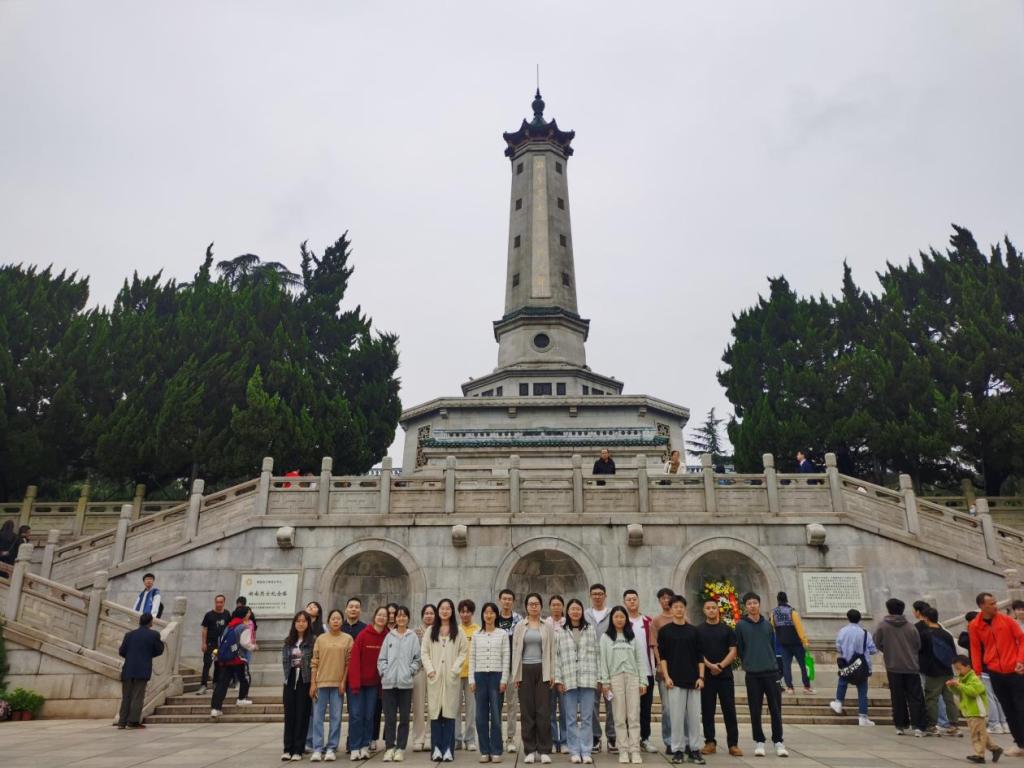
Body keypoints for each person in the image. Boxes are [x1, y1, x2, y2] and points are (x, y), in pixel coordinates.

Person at [734, 592, 788, 757]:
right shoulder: (740, 626)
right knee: (755, 709)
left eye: (755, 603)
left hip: (771, 672)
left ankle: (778, 741)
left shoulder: (767, 625)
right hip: (753, 674)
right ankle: (759, 741)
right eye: (749, 603)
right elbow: (740, 648)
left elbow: (773, 646)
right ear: (745, 606)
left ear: (759, 604)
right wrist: (748, 662)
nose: (752, 606)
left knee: (776, 709)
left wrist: (777, 668)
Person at [970, 592, 1024, 756]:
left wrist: (1020, 660)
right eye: (991, 604)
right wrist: (977, 672)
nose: (996, 606)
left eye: (995, 602)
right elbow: (975, 649)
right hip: (994, 672)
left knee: (1021, 707)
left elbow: (1022, 639)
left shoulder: (1007, 620)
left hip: (1015, 671)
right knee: (1008, 709)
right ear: (982, 606)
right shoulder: (975, 625)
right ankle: (1020, 744)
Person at [657, 596, 705, 765]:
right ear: (671, 609)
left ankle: (695, 749)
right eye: (675, 606)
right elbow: (663, 657)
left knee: (694, 718)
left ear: (685, 609)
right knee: (676, 718)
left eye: (681, 606)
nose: (678, 609)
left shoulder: (694, 631)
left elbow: (700, 656)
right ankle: (677, 750)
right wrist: (666, 677)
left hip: (693, 680)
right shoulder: (665, 631)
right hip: (674, 680)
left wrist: (701, 677)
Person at [511, 592, 557, 764]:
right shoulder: (520, 626)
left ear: (541, 606)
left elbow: (552, 650)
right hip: (525, 670)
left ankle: (544, 750)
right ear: (526, 607)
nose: (534, 606)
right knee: (527, 711)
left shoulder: (547, 626)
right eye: (531, 604)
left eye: (536, 604)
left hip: (543, 670)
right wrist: (516, 674)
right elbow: (516, 651)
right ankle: (530, 750)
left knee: (543, 711)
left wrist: (552, 673)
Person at [599, 605, 647, 765]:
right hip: (615, 679)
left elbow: (640, 659)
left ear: (626, 619)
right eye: (616, 617)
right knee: (619, 717)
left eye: (622, 617)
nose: (619, 619)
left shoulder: (632, 637)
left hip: (633, 678)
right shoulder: (606, 638)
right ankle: (623, 750)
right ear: (612, 619)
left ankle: (635, 750)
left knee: (633, 716)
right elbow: (603, 661)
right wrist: (605, 682)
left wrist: (642, 680)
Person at [423, 598, 469, 762]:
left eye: (448, 608)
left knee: (449, 713)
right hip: (435, 678)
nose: (444, 611)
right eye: (442, 608)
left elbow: (464, 652)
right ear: (438, 611)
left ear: (452, 611)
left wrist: (455, 669)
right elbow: (424, 652)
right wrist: (430, 670)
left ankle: (448, 749)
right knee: (435, 713)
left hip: (451, 679)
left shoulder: (458, 631)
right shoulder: (431, 631)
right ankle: (436, 748)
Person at [554, 598, 599, 765]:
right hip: (569, 679)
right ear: (567, 611)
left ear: (582, 611)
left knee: (587, 718)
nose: (575, 612)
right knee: (571, 718)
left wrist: (599, 677)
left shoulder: (590, 629)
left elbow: (597, 654)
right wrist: (558, 679)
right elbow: (557, 657)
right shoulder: (561, 631)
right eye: (572, 609)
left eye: (578, 609)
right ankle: (574, 750)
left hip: (588, 678)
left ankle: (586, 751)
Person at [874, 597, 927, 737]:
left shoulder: (882, 626)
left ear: (888, 609)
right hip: (911, 666)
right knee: (915, 697)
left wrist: (889, 651)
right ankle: (919, 726)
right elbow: (917, 645)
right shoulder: (910, 626)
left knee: (897, 697)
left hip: (893, 666)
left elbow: (877, 643)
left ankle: (900, 725)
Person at [697, 597, 741, 756]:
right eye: (708, 608)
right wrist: (710, 666)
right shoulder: (698, 630)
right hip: (707, 676)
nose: (711, 610)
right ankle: (710, 742)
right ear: (704, 610)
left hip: (725, 676)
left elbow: (733, 651)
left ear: (718, 609)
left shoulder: (727, 630)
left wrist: (721, 666)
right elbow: (698, 653)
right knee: (707, 710)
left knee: (729, 710)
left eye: (713, 607)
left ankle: (733, 744)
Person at [310, 608, 354, 762]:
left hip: (337, 685)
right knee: (318, 717)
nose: (335, 621)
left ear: (342, 621)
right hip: (321, 683)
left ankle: (331, 747)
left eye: (338, 618)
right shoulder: (321, 639)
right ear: (328, 621)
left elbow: (349, 663)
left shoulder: (348, 639)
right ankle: (317, 748)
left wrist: (343, 682)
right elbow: (314, 662)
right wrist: (313, 683)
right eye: (333, 618)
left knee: (336, 717)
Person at [378, 606, 421, 762]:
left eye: (404, 616)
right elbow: (382, 659)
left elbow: (417, 659)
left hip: (405, 684)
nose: (401, 618)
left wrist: (409, 671)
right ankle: (390, 747)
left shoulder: (413, 637)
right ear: (395, 618)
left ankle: (401, 748)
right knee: (389, 718)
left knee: (404, 718)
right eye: (398, 616)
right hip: (389, 684)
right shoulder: (389, 636)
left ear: (408, 618)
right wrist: (385, 672)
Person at [471, 601, 510, 764]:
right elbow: (472, 658)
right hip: (480, 677)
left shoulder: (502, 634)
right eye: (486, 612)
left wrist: (504, 679)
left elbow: (506, 658)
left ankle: (496, 750)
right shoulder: (476, 635)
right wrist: (472, 679)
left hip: (496, 677)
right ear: (482, 615)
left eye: (492, 612)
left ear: (496, 615)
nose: (489, 615)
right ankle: (484, 750)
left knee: (495, 716)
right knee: (480, 716)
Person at [949, 655, 1005, 765]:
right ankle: (995, 749)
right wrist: (952, 686)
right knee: (981, 732)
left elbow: (973, 692)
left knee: (977, 734)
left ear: (968, 667)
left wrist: (959, 685)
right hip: (969, 711)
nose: (958, 671)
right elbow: (958, 692)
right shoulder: (962, 679)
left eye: (959, 668)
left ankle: (980, 755)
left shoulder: (974, 679)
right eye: (956, 669)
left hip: (977, 711)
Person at [349, 606, 389, 760]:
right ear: (374, 617)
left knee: (369, 715)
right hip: (358, 683)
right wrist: (354, 683)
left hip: (374, 685)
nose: (381, 618)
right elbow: (354, 660)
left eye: (384, 616)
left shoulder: (388, 636)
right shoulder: (363, 635)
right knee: (356, 715)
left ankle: (365, 746)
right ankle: (354, 747)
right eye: (379, 615)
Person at [623, 589, 657, 754]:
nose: (632, 602)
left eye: (634, 599)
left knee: (645, 707)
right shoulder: (621, 622)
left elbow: (655, 646)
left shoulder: (648, 622)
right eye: (629, 599)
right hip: (627, 672)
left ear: (638, 600)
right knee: (628, 708)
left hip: (647, 671)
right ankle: (630, 739)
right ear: (624, 602)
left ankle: (645, 738)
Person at [829, 609, 877, 726]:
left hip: (847, 663)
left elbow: (838, 647)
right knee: (862, 691)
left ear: (848, 618)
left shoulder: (843, 631)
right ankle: (863, 717)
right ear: (859, 619)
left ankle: (838, 703)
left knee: (843, 681)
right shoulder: (865, 633)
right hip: (861, 665)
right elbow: (873, 650)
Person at [116, 612, 164, 729]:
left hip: (128, 669)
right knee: (137, 696)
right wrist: (148, 654)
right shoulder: (154, 635)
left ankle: (122, 722)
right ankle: (133, 722)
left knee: (126, 696)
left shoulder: (129, 635)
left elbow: (122, 651)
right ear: (150, 622)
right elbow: (159, 650)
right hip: (142, 668)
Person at [920, 606, 961, 736]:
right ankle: (954, 725)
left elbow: (920, 652)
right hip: (947, 670)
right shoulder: (946, 634)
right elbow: (953, 653)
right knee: (949, 699)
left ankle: (932, 725)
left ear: (926, 618)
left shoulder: (925, 634)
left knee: (931, 699)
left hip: (932, 672)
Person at [210, 605, 257, 718]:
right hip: (238, 658)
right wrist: (254, 647)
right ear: (244, 615)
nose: (249, 614)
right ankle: (241, 698)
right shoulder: (244, 627)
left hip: (226, 659)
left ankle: (215, 708)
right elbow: (245, 643)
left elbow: (221, 641)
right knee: (245, 678)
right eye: (248, 613)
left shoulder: (229, 626)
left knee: (222, 684)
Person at [585, 583, 616, 753]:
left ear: (605, 595)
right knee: (592, 704)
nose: (597, 596)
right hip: (591, 665)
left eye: (600, 593)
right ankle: (595, 737)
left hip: (610, 665)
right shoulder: (585, 615)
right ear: (590, 596)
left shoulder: (612, 614)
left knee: (612, 702)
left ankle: (612, 737)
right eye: (594, 594)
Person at [282, 610, 316, 760]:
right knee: (289, 715)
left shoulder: (312, 641)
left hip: (305, 680)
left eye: (304, 621)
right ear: (294, 623)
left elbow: (314, 661)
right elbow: (284, 661)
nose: (301, 623)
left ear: (308, 623)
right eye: (298, 621)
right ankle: (287, 748)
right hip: (290, 680)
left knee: (302, 714)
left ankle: (298, 749)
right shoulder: (288, 641)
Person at [496, 589, 523, 753]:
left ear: (513, 601)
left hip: (513, 669)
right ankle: (497, 737)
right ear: (500, 600)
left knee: (512, 705)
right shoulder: (494, 618)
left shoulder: (519, 620)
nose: (506, 601)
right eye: (504, 599)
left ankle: (511, 738)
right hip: (496, 669)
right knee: (496, 705)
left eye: (509, 599)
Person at [770, 592, 813, 694]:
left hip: (783, 645)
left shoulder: (773, 613)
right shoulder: (792, 612)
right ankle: (806, 687)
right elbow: (799, 628)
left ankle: (790, 688)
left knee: (786, 667)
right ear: (786, 599)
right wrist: (805, 641)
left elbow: (773, 628)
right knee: (803, 666)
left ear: (778, 600)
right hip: (796, 644)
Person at [649, 587, 675, 755]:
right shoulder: (656, 621)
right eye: (663, 598)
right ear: (659, 601)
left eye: (668, 597)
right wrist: (660, 665)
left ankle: (683, 740)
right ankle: (669, 741)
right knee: (667, 708)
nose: (666, 600)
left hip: (682, 669)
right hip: (664, 670)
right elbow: (655, 645)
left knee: (682, 708)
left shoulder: (683, 618)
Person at [341, 597, 368, 752]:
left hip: (356, 676)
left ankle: (353, 742)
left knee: (356, 712)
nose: (353, 609)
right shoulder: (338, 627)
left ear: (360, 610)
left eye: (357, 607)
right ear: (346, 609)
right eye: (351, 606)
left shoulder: (365, 629)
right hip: (338, 674)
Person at [412, 604, 436, 751]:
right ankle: (418, 738)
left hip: (434, 672)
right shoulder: (414, 633)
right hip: (419, 671)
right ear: (422, 615)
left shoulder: (439, 631)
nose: (429, 616)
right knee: (418, 706)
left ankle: (429, 737)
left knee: (433, 706)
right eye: (426, 613)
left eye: (431, 613)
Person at [457, 599, 481, 752]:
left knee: (471, 709)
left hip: (472, 676)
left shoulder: (478, 630)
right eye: (462, 611)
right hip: (456, 674)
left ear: (472, 613)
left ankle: (470, 739)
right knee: (455, 709)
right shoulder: (455, 630)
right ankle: (456, 739)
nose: (465, 614)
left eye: (468, 612)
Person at [546, 595, 567, 755]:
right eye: (553, 605)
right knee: (550, 711)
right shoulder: (545, 624)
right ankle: (553, 740)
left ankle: (565, 741)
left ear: (563, 606)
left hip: (565, 673)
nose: (556, 607)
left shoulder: (568, 623)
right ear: (549, 607)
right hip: (549, 673)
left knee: (566, 710)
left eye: (559, 604)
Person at [198, 594, 230, 695]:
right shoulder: (209, 615)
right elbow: (204, 629)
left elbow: (229, 628)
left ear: (224, 603)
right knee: (207, 664)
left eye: (221, 602)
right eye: (217, 602)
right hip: (210, 644)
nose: (219, 604)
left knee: (219, 665)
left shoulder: (227, 614)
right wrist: (203, 643)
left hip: (221, 645)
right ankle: (203, 685)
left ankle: (215, 684)